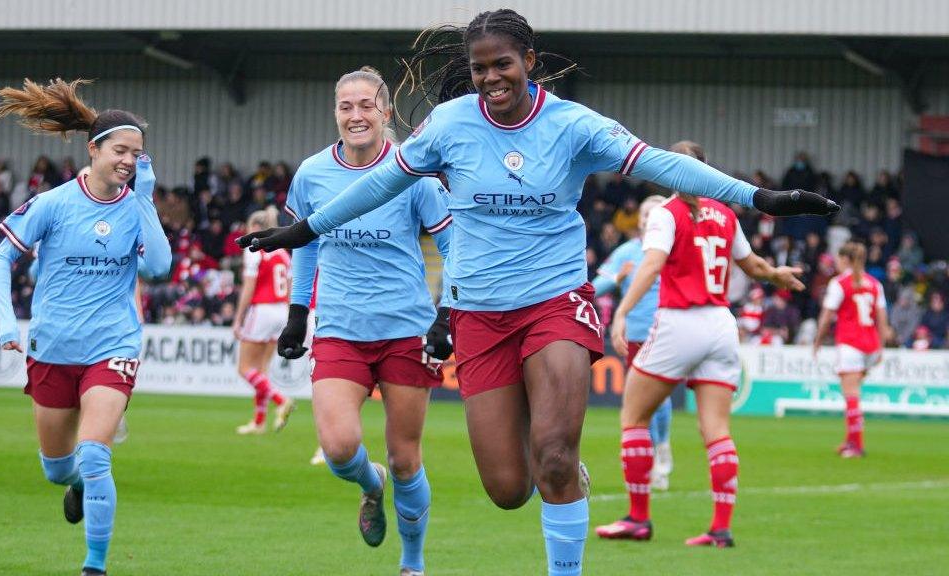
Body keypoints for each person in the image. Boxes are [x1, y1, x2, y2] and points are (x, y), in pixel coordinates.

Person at [239, 11, 836, 575]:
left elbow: (662, 164)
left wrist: (761, 198)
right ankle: (556, 463)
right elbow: (381, 184)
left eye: (503, 64)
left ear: (527, 60)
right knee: (506, 489)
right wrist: (305, 228)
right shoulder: (449, 125)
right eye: (480, 68)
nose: (492, 78)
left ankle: (562, 517)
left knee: (551, 456)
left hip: (555, 302)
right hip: (479, 315)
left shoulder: (573, 125)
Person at [0, 78, 171, 576]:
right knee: (58, 469)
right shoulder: (54, 203)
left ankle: (94, 565)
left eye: (137, 153)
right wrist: (8, 324)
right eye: (121, 150)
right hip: (52, 348)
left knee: (95, 456)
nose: (129, 161)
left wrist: (146, 201)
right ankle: (74, 483)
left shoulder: (135, 208)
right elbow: (1, 259)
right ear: (93, 150)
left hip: (113, 344)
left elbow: (158, 267)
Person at [275, 66, 451, 576]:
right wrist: (296, 314)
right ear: (335, 113)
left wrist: (446, 313)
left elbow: (452, 245)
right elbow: (303, 246)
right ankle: (370, 486)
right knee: (338, 448)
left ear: (386, 113)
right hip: (340, 332)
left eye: (367, 105)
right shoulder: (312, 174)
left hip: (405, 331)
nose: (356, 115)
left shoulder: (411, 171)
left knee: (405, 458)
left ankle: (412, 563)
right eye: (346, 106)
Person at [598, 141, 805, 548]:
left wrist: (622, 311)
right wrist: (777, 276)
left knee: (634, 416)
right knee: (717, 429)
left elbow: (653, 263)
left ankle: (638, 519)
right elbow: (753, 266)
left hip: (680, 319)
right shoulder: (725, 213)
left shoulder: (666, 213)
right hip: (720, 324)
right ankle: (720, 528)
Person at [592, 195, 675, 490]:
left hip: (665, 331)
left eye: (653, 213)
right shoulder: (625, 252)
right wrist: (617, 277)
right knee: (642, 400)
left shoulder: (672, 251)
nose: (646, 218)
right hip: (634, 334)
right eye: (643, 213)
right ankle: (653, 458)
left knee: (658, 399)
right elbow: (594, 288)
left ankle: (660, 447)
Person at [813, 241, 892, 457]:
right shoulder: (875, 284)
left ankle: (856, 445)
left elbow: (827, 315)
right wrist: (881, 348)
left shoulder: (840, 283)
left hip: (850, 343)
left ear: (845, 260)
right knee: (854, 390)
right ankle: (850, 440)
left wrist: (817, 341)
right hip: (870, 345)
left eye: (839, 259)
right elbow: (882, 318)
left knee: (851, 395)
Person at [232, 207, 296, 434]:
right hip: (280, 311)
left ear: (256, 228)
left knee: (245, 368)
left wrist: (238, 319)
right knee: (262, 369)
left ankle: (281, 400)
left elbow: (249, 288)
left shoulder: (254, 250)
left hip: (262, 309)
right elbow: (289, 287)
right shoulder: (281, 252)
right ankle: (259, 422)